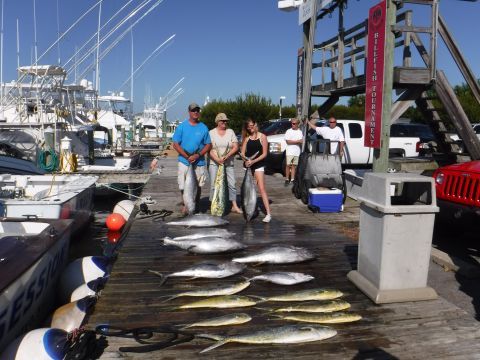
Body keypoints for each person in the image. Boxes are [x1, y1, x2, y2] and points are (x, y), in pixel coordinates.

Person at [172, 102, 211, 214]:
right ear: (189, 112)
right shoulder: (182, 126)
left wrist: (197, 155)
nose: (196, 112)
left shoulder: (203, 127)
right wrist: (187, 156)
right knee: (183, 184)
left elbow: (208, 144)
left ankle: (195, 203)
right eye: (193, 110)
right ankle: (186, 204)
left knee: (198, 185)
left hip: (199, 162)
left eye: (197, 110)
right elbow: (175, 144)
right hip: (185, 161)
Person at [209, 112, 242, 214]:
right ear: (217, 121)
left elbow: (236, 146)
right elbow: (208, 149)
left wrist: (227, 156)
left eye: (226, 121)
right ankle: (214, 205)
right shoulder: (211, 133)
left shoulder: (230, 132)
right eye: (223, 121)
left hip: (228, 162)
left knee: (232, 184)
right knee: (214, 184)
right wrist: (217, 159)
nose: (225, 122)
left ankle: (234, 206)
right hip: (214, 163)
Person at [240, 117, 271, 223]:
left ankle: (268, 214)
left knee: (261, 188)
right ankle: (250, 209)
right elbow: (243, 153)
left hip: (258, 165)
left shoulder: (263, 137)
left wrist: (253, 161)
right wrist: (246, 160)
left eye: (252, 126)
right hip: (248, 166)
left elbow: (265, 153)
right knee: (247, 190)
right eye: (248, 127)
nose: (250, 128)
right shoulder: (246, 138)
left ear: (255, 124)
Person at [284, 118, 303, 186]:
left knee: (294, 166)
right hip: (289, 151)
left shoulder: (300, 132)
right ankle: (286, 179)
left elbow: (301, 141)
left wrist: (293, 141)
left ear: (298, 124)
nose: (292, 125)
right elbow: (288, 142)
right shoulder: (288, 131)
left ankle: (292, 179)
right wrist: (296, 141)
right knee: (288, 165)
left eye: (294, 123)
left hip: (296, 151)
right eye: (292, 123)